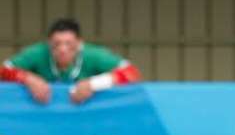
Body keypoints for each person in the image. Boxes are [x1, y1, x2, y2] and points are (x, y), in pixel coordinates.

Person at [0, 18, 140, 104]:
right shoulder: (37, 53)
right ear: (49, 43)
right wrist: (28, 79)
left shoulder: (93, 54)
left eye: (69, 44)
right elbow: (4, 70)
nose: (62, 49)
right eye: (57, 44)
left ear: (79, 43)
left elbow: (131, 73)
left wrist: (94, 84)